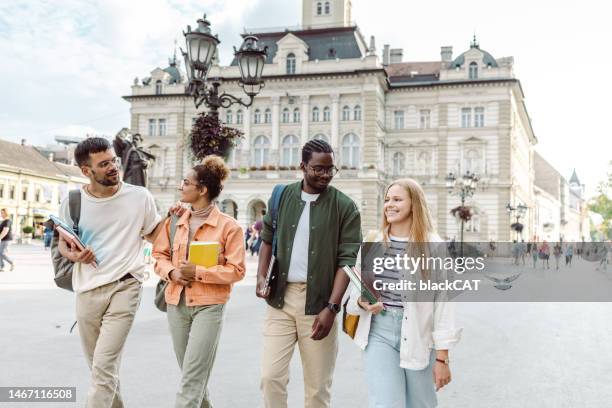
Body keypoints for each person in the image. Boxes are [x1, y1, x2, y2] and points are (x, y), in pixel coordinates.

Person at [57, 137, 166, 408]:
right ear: (86, 171)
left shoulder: (139, 197)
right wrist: (74, 254)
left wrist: (178, 222)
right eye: (104, 164)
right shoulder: (72, 200)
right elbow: (62, 241)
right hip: (87, 290)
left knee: (103, 366)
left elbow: (155, 234)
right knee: (99, 369)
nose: (113, 167)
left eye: (113, 161)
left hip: (126, 285)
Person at [256, 139, 362, 408]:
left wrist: (332, 307)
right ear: (302, 166)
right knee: (270, 377)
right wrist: (260, 276)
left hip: (318, 304)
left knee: (317, 388)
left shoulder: (345, 206)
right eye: (318, 169)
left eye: (330, 169)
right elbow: (267, 238)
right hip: (280, 300)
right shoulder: (281, 196)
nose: (325, 175)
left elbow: (347, 261)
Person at [346, 179, 462, 408]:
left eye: (397, 199)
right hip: (378, 332)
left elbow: (443, 306)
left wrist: (442, 357)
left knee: (420, 404)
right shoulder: (372, 242)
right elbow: (355, 296)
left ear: (414, 205)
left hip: (420, 334)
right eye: (387, 199)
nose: (389, 204)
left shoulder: (433, 246)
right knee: (386, 403)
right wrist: (363, 301)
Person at [153, 156, 245, 408]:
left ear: (202, 189)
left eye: (186, 182)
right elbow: (158, 255)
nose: (180, 186)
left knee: (192, 377)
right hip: (175, 303)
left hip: (209, 306)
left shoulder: (230, 227)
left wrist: (199, 272)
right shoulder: (174, 220)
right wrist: (172, 273)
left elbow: (236, 270)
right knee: (192, 374)